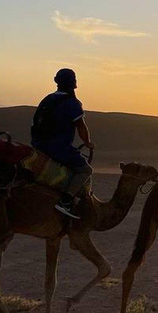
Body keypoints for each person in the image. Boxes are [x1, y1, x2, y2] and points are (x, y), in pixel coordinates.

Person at [31, 68, 94, 219]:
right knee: (86, 170)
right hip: (57, 148)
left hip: (38, 144)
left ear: (56, 81)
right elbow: (81, 126)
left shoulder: (46, 99)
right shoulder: (72, 103)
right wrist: (88, 143)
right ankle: (66, 201)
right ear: (74, 84)